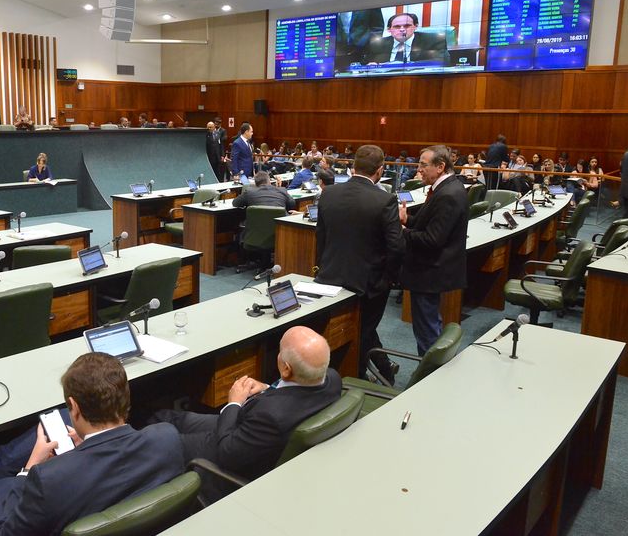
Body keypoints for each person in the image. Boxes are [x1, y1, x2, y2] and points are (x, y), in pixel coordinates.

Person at [0, 353, 183, 536]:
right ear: (126, 396)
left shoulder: (47, 478)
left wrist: (29, 468)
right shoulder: (166, 437)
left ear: (74, 407)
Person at [153, 326, 340, 502]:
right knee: (173, 418)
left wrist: (234, 402)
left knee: (164, 439)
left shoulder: (271, 417)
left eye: (280, 352)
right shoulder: (332, 379)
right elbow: (292, 394)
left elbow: (226, 451)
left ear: (286, 369)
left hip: (225, 448)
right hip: (247, 428)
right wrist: (267, 388)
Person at [315, 145, 405, 384]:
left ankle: (380, 368)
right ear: (381, 170)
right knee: (363, 329)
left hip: (330, 277)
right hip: (370, 282)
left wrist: (321, 269)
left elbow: (321, 238)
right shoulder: (385, 200)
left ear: (353, 166)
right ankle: (364, 376)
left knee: (347, 328)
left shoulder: (329, 194)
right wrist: (389, 279)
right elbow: (396, 247)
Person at [399, 145, 468, 355]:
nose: (419, 169)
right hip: (431, 269)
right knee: (430, 324)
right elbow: (427, 224)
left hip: (430, 271)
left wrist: (402, 230)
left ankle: (429, 375)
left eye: (423, 165)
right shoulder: (446, 188)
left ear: (440, 166)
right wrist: (408, 220)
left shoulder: (448, 194)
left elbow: (432, 239)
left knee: (427, 329)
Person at [362, 12, 450, 66]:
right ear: (389, 29)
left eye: (407, 26)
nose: (402, 29)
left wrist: (406, 65)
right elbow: (364, 64)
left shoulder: (434, 40)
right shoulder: (376, 44)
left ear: (415, 27)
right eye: (397, 26)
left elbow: (443, 61)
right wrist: (370, 66)